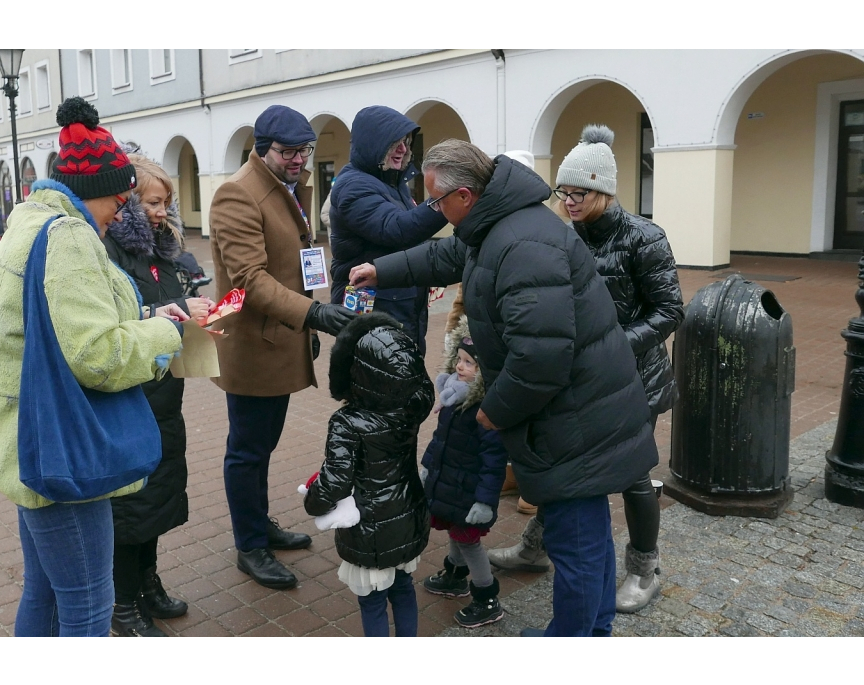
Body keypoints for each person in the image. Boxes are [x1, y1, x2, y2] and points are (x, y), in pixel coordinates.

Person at [349, 139, 659, 637]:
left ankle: (573, 640)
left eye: (437, 201)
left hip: (575, 419)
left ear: (466, 195)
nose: (434, 210)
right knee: (589, 534)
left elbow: (540, 359)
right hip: (581, 411)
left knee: (576, 542)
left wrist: (494, 410)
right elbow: (449, 255)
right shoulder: (498, 224)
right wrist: (381, 269)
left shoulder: (523, 245)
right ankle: (592, 632)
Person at [0, 97, 189, 637]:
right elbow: (96, 355)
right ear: (101, 192)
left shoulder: (30, 219)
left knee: (44, 594)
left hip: (29, 435)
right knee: (88, 605)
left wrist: (144, 313)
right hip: (63, 448)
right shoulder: (68, 237)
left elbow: (63, 319)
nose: (124, 211)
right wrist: (168, 333)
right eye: (121, 199)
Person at [488, 126, 684, 613]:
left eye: (580, 193)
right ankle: (536, 548)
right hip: (580, 380)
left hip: (636, 380)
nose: (570, 201)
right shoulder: (563, 235)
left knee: (634, 476)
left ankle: (644, 570)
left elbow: (670, 310)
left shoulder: (644, 236)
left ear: (604, 191)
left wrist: (617, 345)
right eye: (564, 192)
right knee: (566, 468)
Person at [209, 104, 356, 590]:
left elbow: (297, 260)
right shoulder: (238, 194)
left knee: (263, 446)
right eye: (288, 151)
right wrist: (313, 315)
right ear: (261, 148)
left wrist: (308, 326)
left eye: (304, 150)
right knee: (247, 450)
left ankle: (259, 522)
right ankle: (249, 545)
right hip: (253, 346)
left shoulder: (285, 186)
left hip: (282, 337)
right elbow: (249, 280)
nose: (298, 159)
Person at [101, 153, 214, 637]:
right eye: (152, 202)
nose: (162, 211)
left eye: (166, 202)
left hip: (164, 395)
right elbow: (114, 322)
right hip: (129, 397)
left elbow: (165, 306)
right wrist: (172, 309)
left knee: (157, 500)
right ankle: (122, 603)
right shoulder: (107, 251)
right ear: (125, 203)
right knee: (129, 509)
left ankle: (148, 584)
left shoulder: (161, 251)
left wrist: (198, 316)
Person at [303, 312, 433, 637]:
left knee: (372, 602)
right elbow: (423, 383)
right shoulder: (415, 402)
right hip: (409, 513)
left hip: (370, 528)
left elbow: (334, 481)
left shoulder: (347, 423)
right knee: (403, 587)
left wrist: (313, 502)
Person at [328, 105, 448, 354]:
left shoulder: (392, 182)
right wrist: (447, 198)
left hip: (397, 305)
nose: (404, 149)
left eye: (406, 142)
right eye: (395, 143)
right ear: (375, 144)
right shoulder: (353, 186)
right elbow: (397, 229)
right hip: (375, 310)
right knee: (381, 383)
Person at [420, 317, 508, 628]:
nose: (460, 367)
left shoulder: (485, 411)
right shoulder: (455, 398)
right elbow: (440, 441)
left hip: (470, 490)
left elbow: (494, 462)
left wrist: (484, 502)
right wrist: (427, 468)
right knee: (454, 530)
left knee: (469, 540)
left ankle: (486, 596)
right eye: (459, 360)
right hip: (450, 483)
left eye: (470, 363)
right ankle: (455, 574)